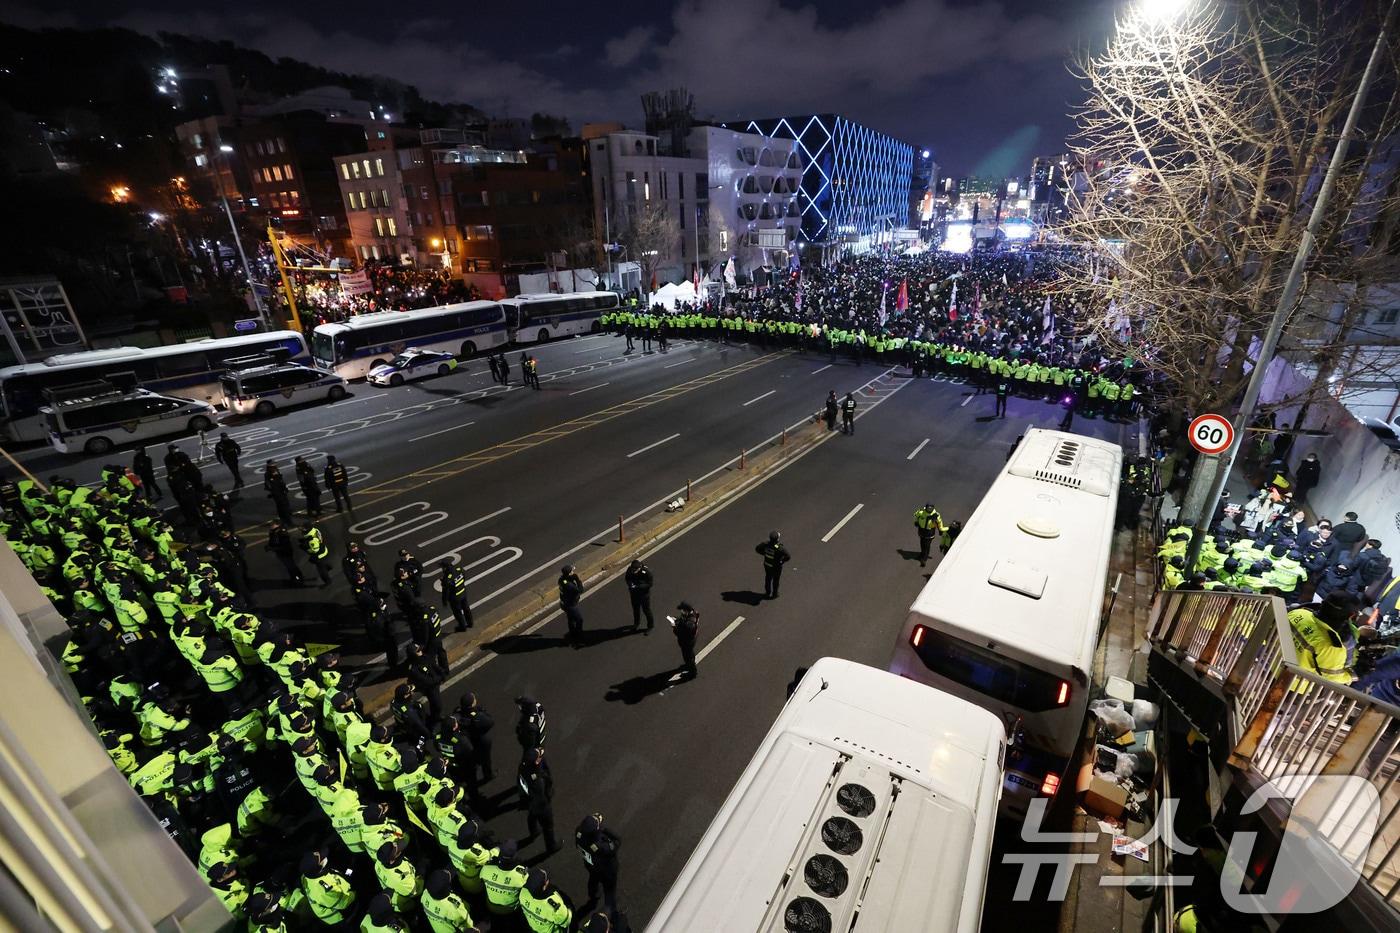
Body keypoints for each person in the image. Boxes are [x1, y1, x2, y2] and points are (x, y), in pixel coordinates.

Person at [575, 813, 621, 921]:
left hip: (590, 865)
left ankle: (593, 895)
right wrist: (603, 829)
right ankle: (610, 912)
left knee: (593, 879)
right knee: (609, 891)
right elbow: (618, 841)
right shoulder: (600, 846)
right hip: (606, 871)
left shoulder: (579, 833)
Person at [518, 747, 558, 854]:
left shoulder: (523, 767)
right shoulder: (538, 780)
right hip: (541, 806)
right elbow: (545, 794)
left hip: (529, 800)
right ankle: (551, 847)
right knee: (548, 826)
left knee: (532, 816)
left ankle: (534, 832)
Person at [520, 868, 572, 933]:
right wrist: (569, 910)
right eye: (546, 879)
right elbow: (566, 922)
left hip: (533, 928)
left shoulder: (523, 893)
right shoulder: (554, 905)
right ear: (544, 886)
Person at [756, 531, 790, 598]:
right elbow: (788, 556)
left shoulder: (765, 544)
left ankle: (767, 592)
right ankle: (775, 594)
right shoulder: (779, 547)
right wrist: (782, 561)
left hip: (767, 565)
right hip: (776, 567)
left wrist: (764, 554)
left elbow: (757, 549)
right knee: (776, 580)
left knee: (768, 578)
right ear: (777, 539)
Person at [441, 561, 473, 632]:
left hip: (455, 598)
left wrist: (444, 601)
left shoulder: (447, 578)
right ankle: (470, 623)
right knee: (466, 609)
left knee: (458, 613)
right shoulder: (458, 569)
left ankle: (462, 627)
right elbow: (464, 576)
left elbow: (446, 591)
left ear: (445, 568)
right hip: (463, 593)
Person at [671, 601, 699, 679]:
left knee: (687, 656)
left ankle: (692, 673)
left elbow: (681, 632)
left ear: (686, 610)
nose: (681, 611)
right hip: (689, 639)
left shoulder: (690, 624)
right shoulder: (691, 614)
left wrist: (674, 627)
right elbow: (682, 620)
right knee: (690, 654)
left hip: (688, 641)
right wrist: (676, 619)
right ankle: (690, 664)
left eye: (682, 610)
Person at [624, 559, 654, 631]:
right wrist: (630, 584)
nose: (633, 572)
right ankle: (636, 624)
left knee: (646, 610)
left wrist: (638, 587)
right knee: (636, 610)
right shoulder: (630, 570)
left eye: (635, 570)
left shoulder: (646, 572)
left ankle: (650, 626)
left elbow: (650, 584)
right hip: (634, 594)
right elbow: (627, 578)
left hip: (644, 595)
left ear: (639, 568)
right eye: (632, 570)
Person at [913, 503, 945, 568]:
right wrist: (916, 522)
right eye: (928, 508)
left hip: (930, 532)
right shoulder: (921, 512)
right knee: (922, 543)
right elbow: (916, 515)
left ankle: (924, 559)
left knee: (927, 545)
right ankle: (922, 554)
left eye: (931, 508)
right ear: (926, 507)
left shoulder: (936, 515)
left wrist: (940, 530)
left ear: (933, 508)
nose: (929, 509)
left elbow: (939, 522)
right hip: (921, 531)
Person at [558, 565, 584, 642]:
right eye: (572, 571)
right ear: (569, 573)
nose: (573, 572)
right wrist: (578, 580)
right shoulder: (569, 585)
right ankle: (578, 635)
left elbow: (566, 580)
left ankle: (572, 633)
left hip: (564, 603)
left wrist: (572, 578)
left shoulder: (562, 579)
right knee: (579, 620)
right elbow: (580, 590)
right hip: (571, 605)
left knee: (571, 618)